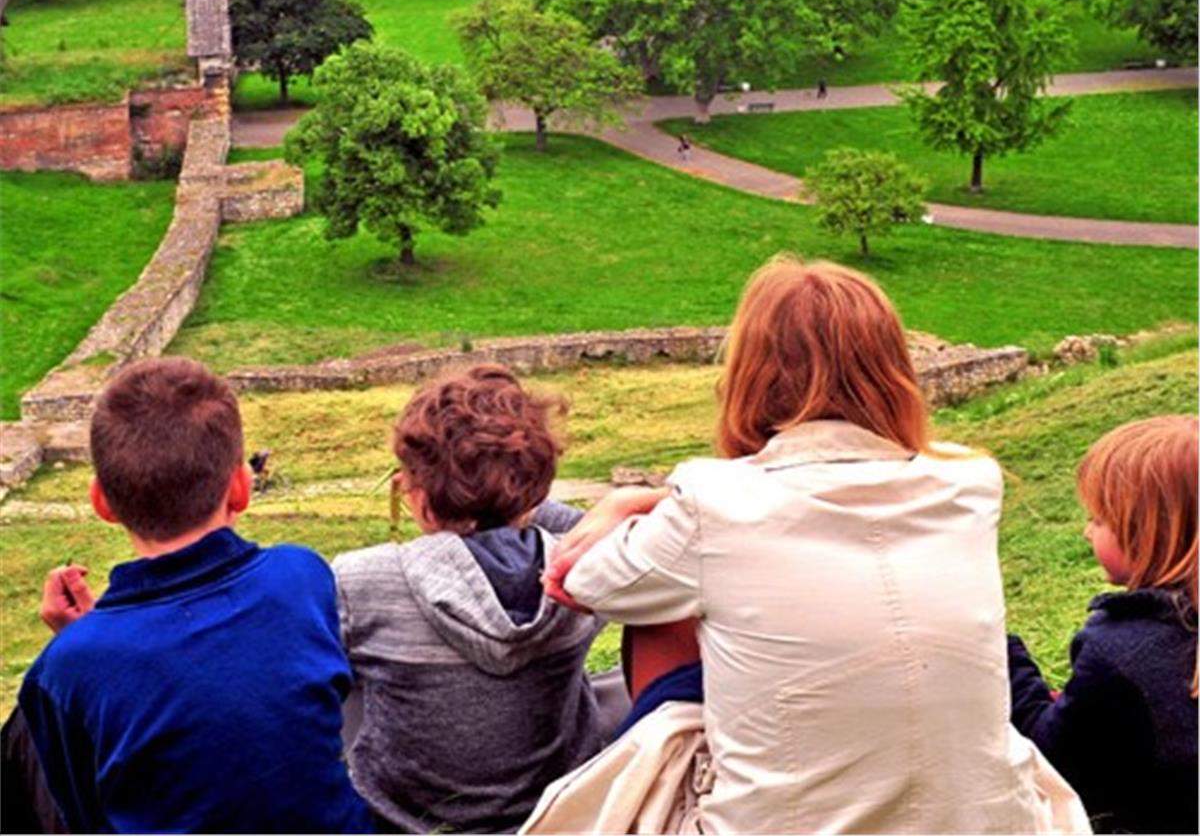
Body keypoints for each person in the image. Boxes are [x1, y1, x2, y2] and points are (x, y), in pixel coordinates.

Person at [544, 255, 1084, 835]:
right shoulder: (969, 483)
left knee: (658, 616)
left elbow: (580, 580)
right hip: (981, 821)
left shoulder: (716, 500)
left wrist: (623, 504)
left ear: (752, 372)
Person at [16, 357, 372, 835]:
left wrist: (84, 642)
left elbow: (84, 816)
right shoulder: (302, 575)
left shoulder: (66, 669)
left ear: (101, 502)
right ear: (242, 489)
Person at [334, 364, 610, 833]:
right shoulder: (584, 566)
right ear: (534, 491)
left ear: (419, 500)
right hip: (556, 815)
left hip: (406, 822)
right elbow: (602, 523)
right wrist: (510, 491)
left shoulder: (362, 580)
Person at [1007, 416, 1198, 834]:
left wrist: (1007, 655)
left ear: (1148, 532)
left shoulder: (1120, 652)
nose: (1085, 530)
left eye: (1098, 518)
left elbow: (1058, 754)